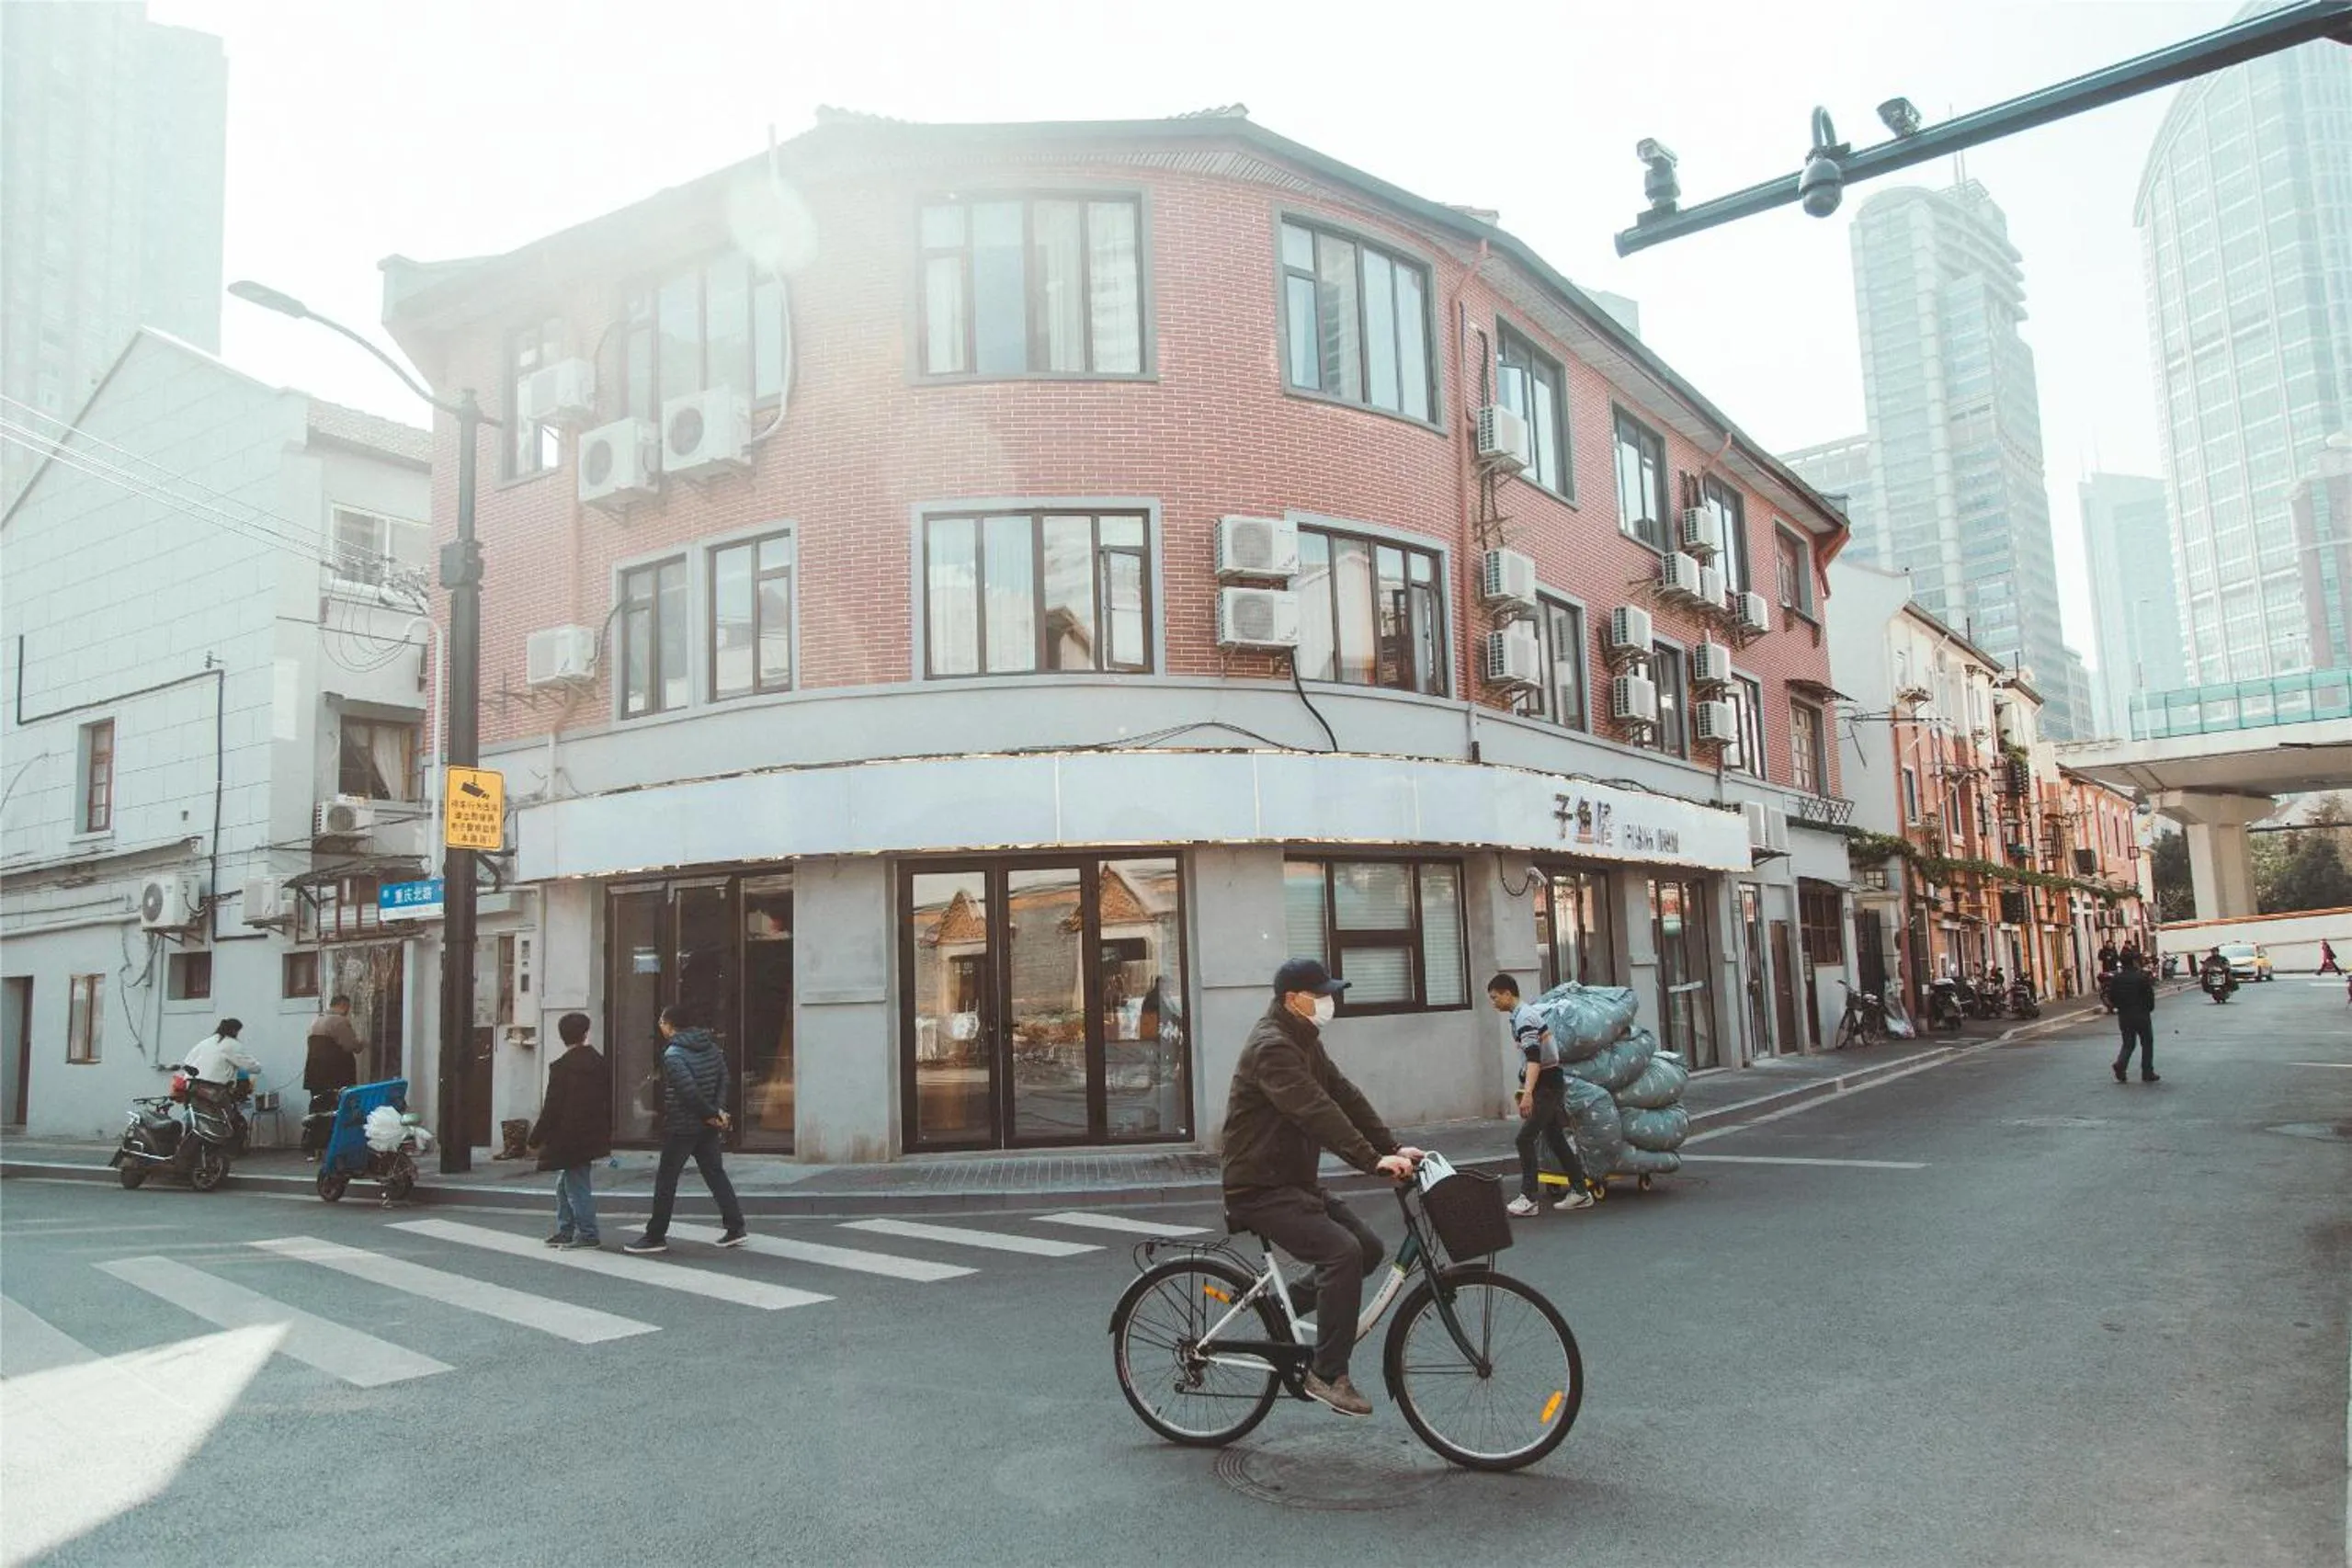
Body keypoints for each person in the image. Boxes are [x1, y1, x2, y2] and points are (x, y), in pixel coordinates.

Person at [1221, 958, 1423, 1419]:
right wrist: (1370, 1160)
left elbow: (1343, 1095)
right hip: (1259, 1187)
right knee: (1341, 1254)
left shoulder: (1303, 1039)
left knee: (1368, 1248)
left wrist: (1391, 1146)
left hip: (1292, 1181)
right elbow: (1314, 1110)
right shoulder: (1272, 1047)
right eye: (1322, 993)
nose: (1330, 1002)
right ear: (1293, 999)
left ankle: (1279, 1308)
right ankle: (1327, 1374)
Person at [624, 1006, 747, 1255]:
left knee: (667, 1180)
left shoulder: (674, 1054)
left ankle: (655, 1235)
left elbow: (688, 1092)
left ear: (670, 1025)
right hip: (707, 1125)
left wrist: (711, 1114)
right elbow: (724, 1079)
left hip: (682, 1125)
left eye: (661, 1020)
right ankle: (735, 1227)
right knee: (715, 1173)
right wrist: (717, 1112)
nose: (659, 1025)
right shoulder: (711, 1047)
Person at [1485, 974, 1593, 1218]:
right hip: (1547, 1083)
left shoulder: (1525, 1018)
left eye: (1494, 998)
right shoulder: (1520, 1016)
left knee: (1525, 1139)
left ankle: (1529, 1198)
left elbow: (1534, 1060)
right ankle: (1580, 1191)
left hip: (1546, 1085)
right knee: (1555, 1138)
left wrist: (1528, 1095)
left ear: (1507, 994)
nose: (1493, 1003)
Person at [529, 1012, 612, 1250]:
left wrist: (535, 1139)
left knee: (576, 1185)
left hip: (568, 1136)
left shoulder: (562, 1067)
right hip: (590, 1132)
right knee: (566, 1183)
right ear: (585, 1033)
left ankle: (587, 1234)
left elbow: (551, 1107)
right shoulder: (599, 1062)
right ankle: (566, 1229)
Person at [301, 998, 363, 1157]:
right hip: (336, 1074)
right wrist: (363, 1043)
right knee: (338, 1109)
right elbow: (350, 1046)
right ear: (343, 1006)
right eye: (348, 1007)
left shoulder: (316, 1020)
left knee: (317, 1109)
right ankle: (336, 1146)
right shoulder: (339, 1021)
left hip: (315, 1074)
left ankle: (313, 1148)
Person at [2108, 949, 2159, 1084]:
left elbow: (2111, 996)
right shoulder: (2141, 977)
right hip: (2141, 1014)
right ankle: (2147, 1072)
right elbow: (2149, 997)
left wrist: (2119, 1006)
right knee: (2147, 1042)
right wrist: (2148, 1009)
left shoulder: (2116, 978)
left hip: (2124, 1014)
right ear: (2134, 962)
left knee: (2128, 1043)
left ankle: (2121, 1064)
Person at [182, 1018, 260, 1085]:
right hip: (214, 1089)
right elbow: (251, 1066)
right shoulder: (231, 1044)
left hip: (193, 1087)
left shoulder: (205, 1042)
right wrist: (258, 1067)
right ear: (234, 1031)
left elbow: (187, 1061)